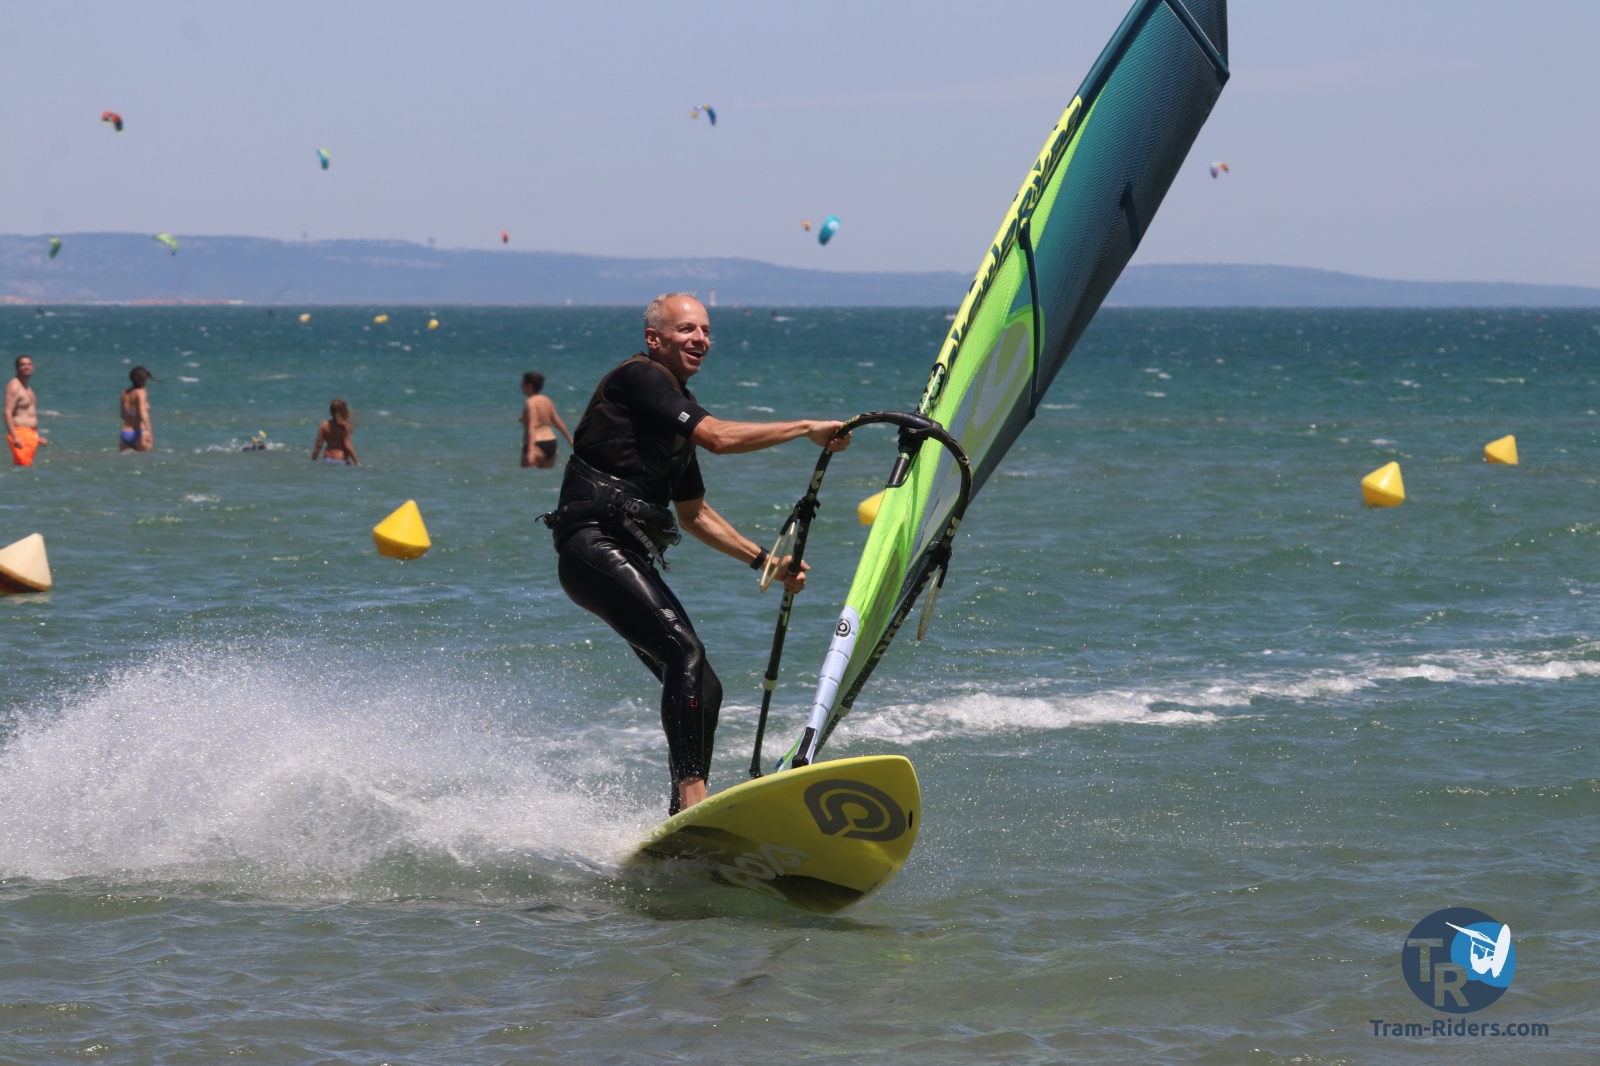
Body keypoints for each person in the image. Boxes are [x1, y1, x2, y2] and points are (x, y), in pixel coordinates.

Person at [542, 292, 851, 816]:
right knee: (683, 652)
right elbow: (719, 437)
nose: (701, 339)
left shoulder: (672, 421)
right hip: (591, 545)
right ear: (654, 339)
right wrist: (805, 429)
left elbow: (695, 514)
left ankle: (679, 817)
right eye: (687, 329)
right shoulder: (639, 378)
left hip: (623, 554)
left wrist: (767, 563)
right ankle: (694, 801)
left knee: (703, 684)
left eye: (706, 330)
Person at [520, 371, 574, 469]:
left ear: (529, 386)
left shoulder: (530, 402)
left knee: (528, 475)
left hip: (536, 444)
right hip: (551, 443)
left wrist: (530, 450)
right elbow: (557, 421)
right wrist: (569, 439)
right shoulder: (546, 400)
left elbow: (532, 425)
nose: (521, 387)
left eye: (522, 384)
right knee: (542, 477)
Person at [5, 356, 48, 466]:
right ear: (17, 368)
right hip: (20, 434)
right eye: (23, 365)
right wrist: (15, 437)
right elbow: (7, 412)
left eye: (29, 364)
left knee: (26, 469)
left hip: (30, 435)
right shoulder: (14, 386)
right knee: (20, 469)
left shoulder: (28, 389)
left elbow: (30, 413)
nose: (27, 367)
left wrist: (37, 437)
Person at [311, 398, 360, 465]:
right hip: (341, 460)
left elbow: (318, 446)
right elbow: (347, 445)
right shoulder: (344, 426)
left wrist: (313, 460)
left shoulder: (324, 424)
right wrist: (357, 462)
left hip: (327, 459)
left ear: (331, 411)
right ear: (344, 411)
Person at [119, 365, 155, 452]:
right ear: (144, 379)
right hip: (140, 431)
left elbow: (122, 415)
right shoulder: (141, 392)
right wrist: (149, 430)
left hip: (125, 433)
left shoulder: (124, 393)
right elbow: (142, 413)